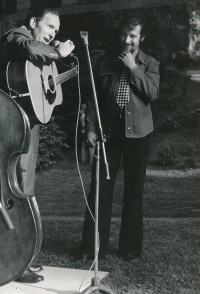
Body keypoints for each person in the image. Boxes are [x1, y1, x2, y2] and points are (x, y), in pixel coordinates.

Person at [0, 6, 75, 283]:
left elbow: (46, 82)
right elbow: (30, 48)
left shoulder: (41, 47)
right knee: (11, 193)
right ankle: (13, 260)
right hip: (7, 130)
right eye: (49, 27)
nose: (53, 33)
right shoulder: (14, 36)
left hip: (27, 125)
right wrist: (58, 52)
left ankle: (24, 257)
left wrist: (55, 68)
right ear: (33, 22)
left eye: (57, 30)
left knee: (25, 190)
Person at [80, 15, 160, 261]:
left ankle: (130, 249)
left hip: (139, 135)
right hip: (109, 134)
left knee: (134, 193)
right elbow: (93, 98)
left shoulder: (150, 64)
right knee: (100, 191)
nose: (127, 40)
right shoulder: (104, 62)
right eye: (124, 34)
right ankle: (92, 249)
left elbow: (151, 94)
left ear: (141, 38)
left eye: (133, 35)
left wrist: (132, 67)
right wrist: (90, 130)